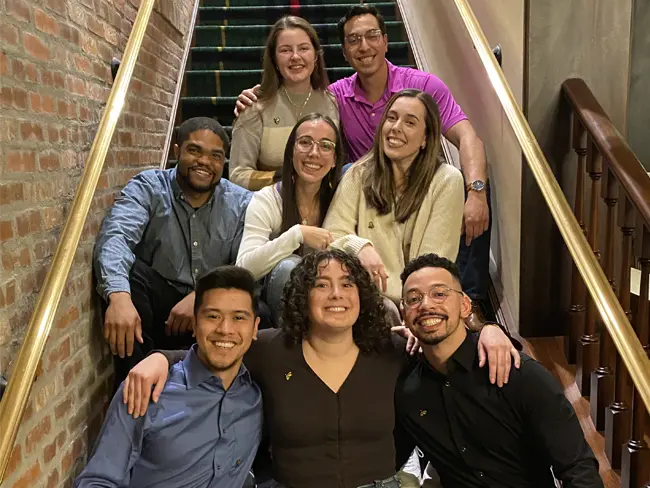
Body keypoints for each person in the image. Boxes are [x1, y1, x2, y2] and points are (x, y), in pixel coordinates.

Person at [121, 250, 520, 488]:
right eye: (321, 284)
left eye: (347, 284)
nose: (336, 295)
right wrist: (159, 357)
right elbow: (215, 348)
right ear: (301, 295)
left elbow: (446, 339)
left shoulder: (394, 348)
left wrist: (488, 330)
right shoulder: (271, 349)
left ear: (362, 296)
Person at [235, 5, 492, 320]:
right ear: (344, 51)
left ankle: (472, 299)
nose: (364, 46)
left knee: (468, 183)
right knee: (347, 172)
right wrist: (258, 95)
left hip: (419, 191)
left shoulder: (425, 86)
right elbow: (305, 120)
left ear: (386, 41)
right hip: (371, 193)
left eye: (372, 36)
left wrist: (476, 191)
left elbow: (470, 139)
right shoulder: (336, 97)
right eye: (354, 40)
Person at [394, 254, 604, 488]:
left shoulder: (521, 376)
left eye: (439, 294)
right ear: (404, 313)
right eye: (413, 299)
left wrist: (490, 327)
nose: (426, 305)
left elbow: (578, 468)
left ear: (464, 305)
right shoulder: (407, 391)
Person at [93, 117, 255, 386]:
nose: (204, 161)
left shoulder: (241, 202)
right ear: (176, 151)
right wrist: (118, 297)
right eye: (195, 150)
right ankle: (137, 392)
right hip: (159, 311)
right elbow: (116, 237)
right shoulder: (149, 187)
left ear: (224, 162)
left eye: (215, 156)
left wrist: (201, 296)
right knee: (129, 278)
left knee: (257, 306)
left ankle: (233, 394)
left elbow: (245, 265)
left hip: (214, 310)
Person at [75, 266, 263, 488]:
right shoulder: (145, 390)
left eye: (239, 317)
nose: (225, 329)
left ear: (255, 328)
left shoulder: (255, 396)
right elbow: (98, 481)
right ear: (194, 323)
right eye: (213, 316)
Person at [323, 89, 464, 307]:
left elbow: (432, 267)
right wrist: (360, 247)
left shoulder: (447, 180)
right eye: (391, 118)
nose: (396, 127)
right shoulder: (358, 173)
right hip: (363, 298)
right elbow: (331, 235)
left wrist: (403, 303)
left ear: (425, 138)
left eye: (409, 122)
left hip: (418, 302)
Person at [236, 113, 343, 324]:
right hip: (277, 300)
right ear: (291, 152)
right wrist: (296, 235)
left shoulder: (341, 200)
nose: (314, 153)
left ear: (334, 160)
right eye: (305, 142)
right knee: (290, 267)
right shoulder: (268, 199)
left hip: (330, 293)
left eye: (325, 145)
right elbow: (244, 268)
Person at [229, 15, 339, 191]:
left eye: (303, 48)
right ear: (274, 59)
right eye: (285, 50)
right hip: (270, 206)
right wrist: (285, 178)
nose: (295, 57)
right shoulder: (254, 106)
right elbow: (237, 175)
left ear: (316, 56)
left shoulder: (332, 103)